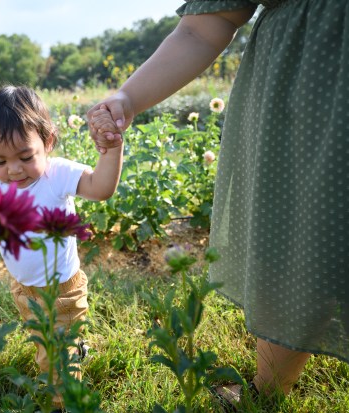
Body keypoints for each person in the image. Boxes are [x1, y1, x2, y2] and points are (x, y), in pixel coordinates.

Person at [87, 0, 349, 408]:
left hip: (304, 80)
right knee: (296, 238)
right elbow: (204, 26)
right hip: (305, 92)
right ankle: (268, 390)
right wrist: (128, 97)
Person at [0, 85, 123, 411]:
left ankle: (63, 402)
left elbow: (101, 188)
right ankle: (73, 349)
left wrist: (112, 150)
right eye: (1, 159)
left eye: (25, 157)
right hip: (23, 285)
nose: (14, 169)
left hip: (60, 289)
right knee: (47, 341)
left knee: (54, 359)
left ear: (47, 142)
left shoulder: (57, 173)